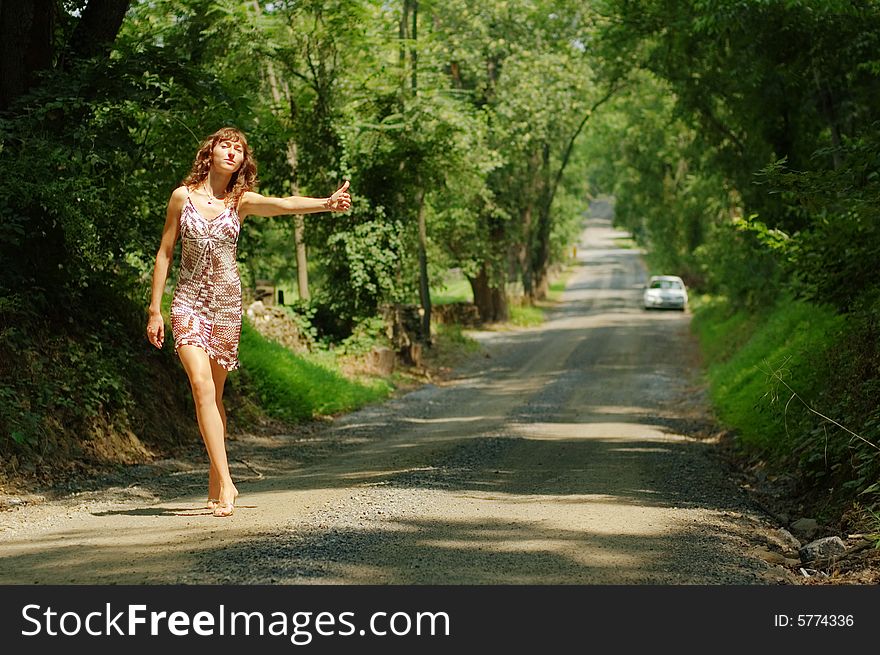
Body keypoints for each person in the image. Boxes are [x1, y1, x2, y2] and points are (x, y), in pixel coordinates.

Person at [145, 127, 351, 517]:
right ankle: (228, 484)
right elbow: (165, 252)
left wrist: (327, 202)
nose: (232, 151)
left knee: (216, 398)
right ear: (210, 152)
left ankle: (213, 488)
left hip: (225, 308)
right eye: (226, 144)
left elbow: (286, 204)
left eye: (239, 149)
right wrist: (155, 309)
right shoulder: (181, 197)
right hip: (187, 303)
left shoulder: (241, 202)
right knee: (200, 386)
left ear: (242, 162)